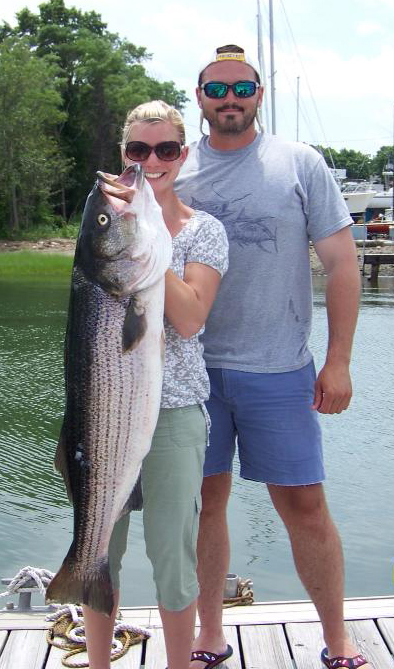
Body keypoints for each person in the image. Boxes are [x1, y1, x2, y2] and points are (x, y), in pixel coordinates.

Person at [174, 45, 370, 669]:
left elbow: (342, 264)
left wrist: (338, 361)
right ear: (200, 98)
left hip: (280, 369)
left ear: (259, 94)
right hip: (190, 373)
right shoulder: (174, 168)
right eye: (216, 89)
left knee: (305, 507)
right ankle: (209, 636)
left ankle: (338, 639)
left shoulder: (300, 163)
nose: (229, 99)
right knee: (203, 506)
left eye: (242, 88)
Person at [83, 100, 229, 669]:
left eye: (165, 149)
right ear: (125, 155)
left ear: (182, 154)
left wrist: (142, 245)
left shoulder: (204, 231)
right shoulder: (116, 227)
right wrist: (128, 234)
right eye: (138, 150)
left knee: (173, 558)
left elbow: (190, 318)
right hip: (102, 416)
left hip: (175, 418)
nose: (152, 161)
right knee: (99, 549)